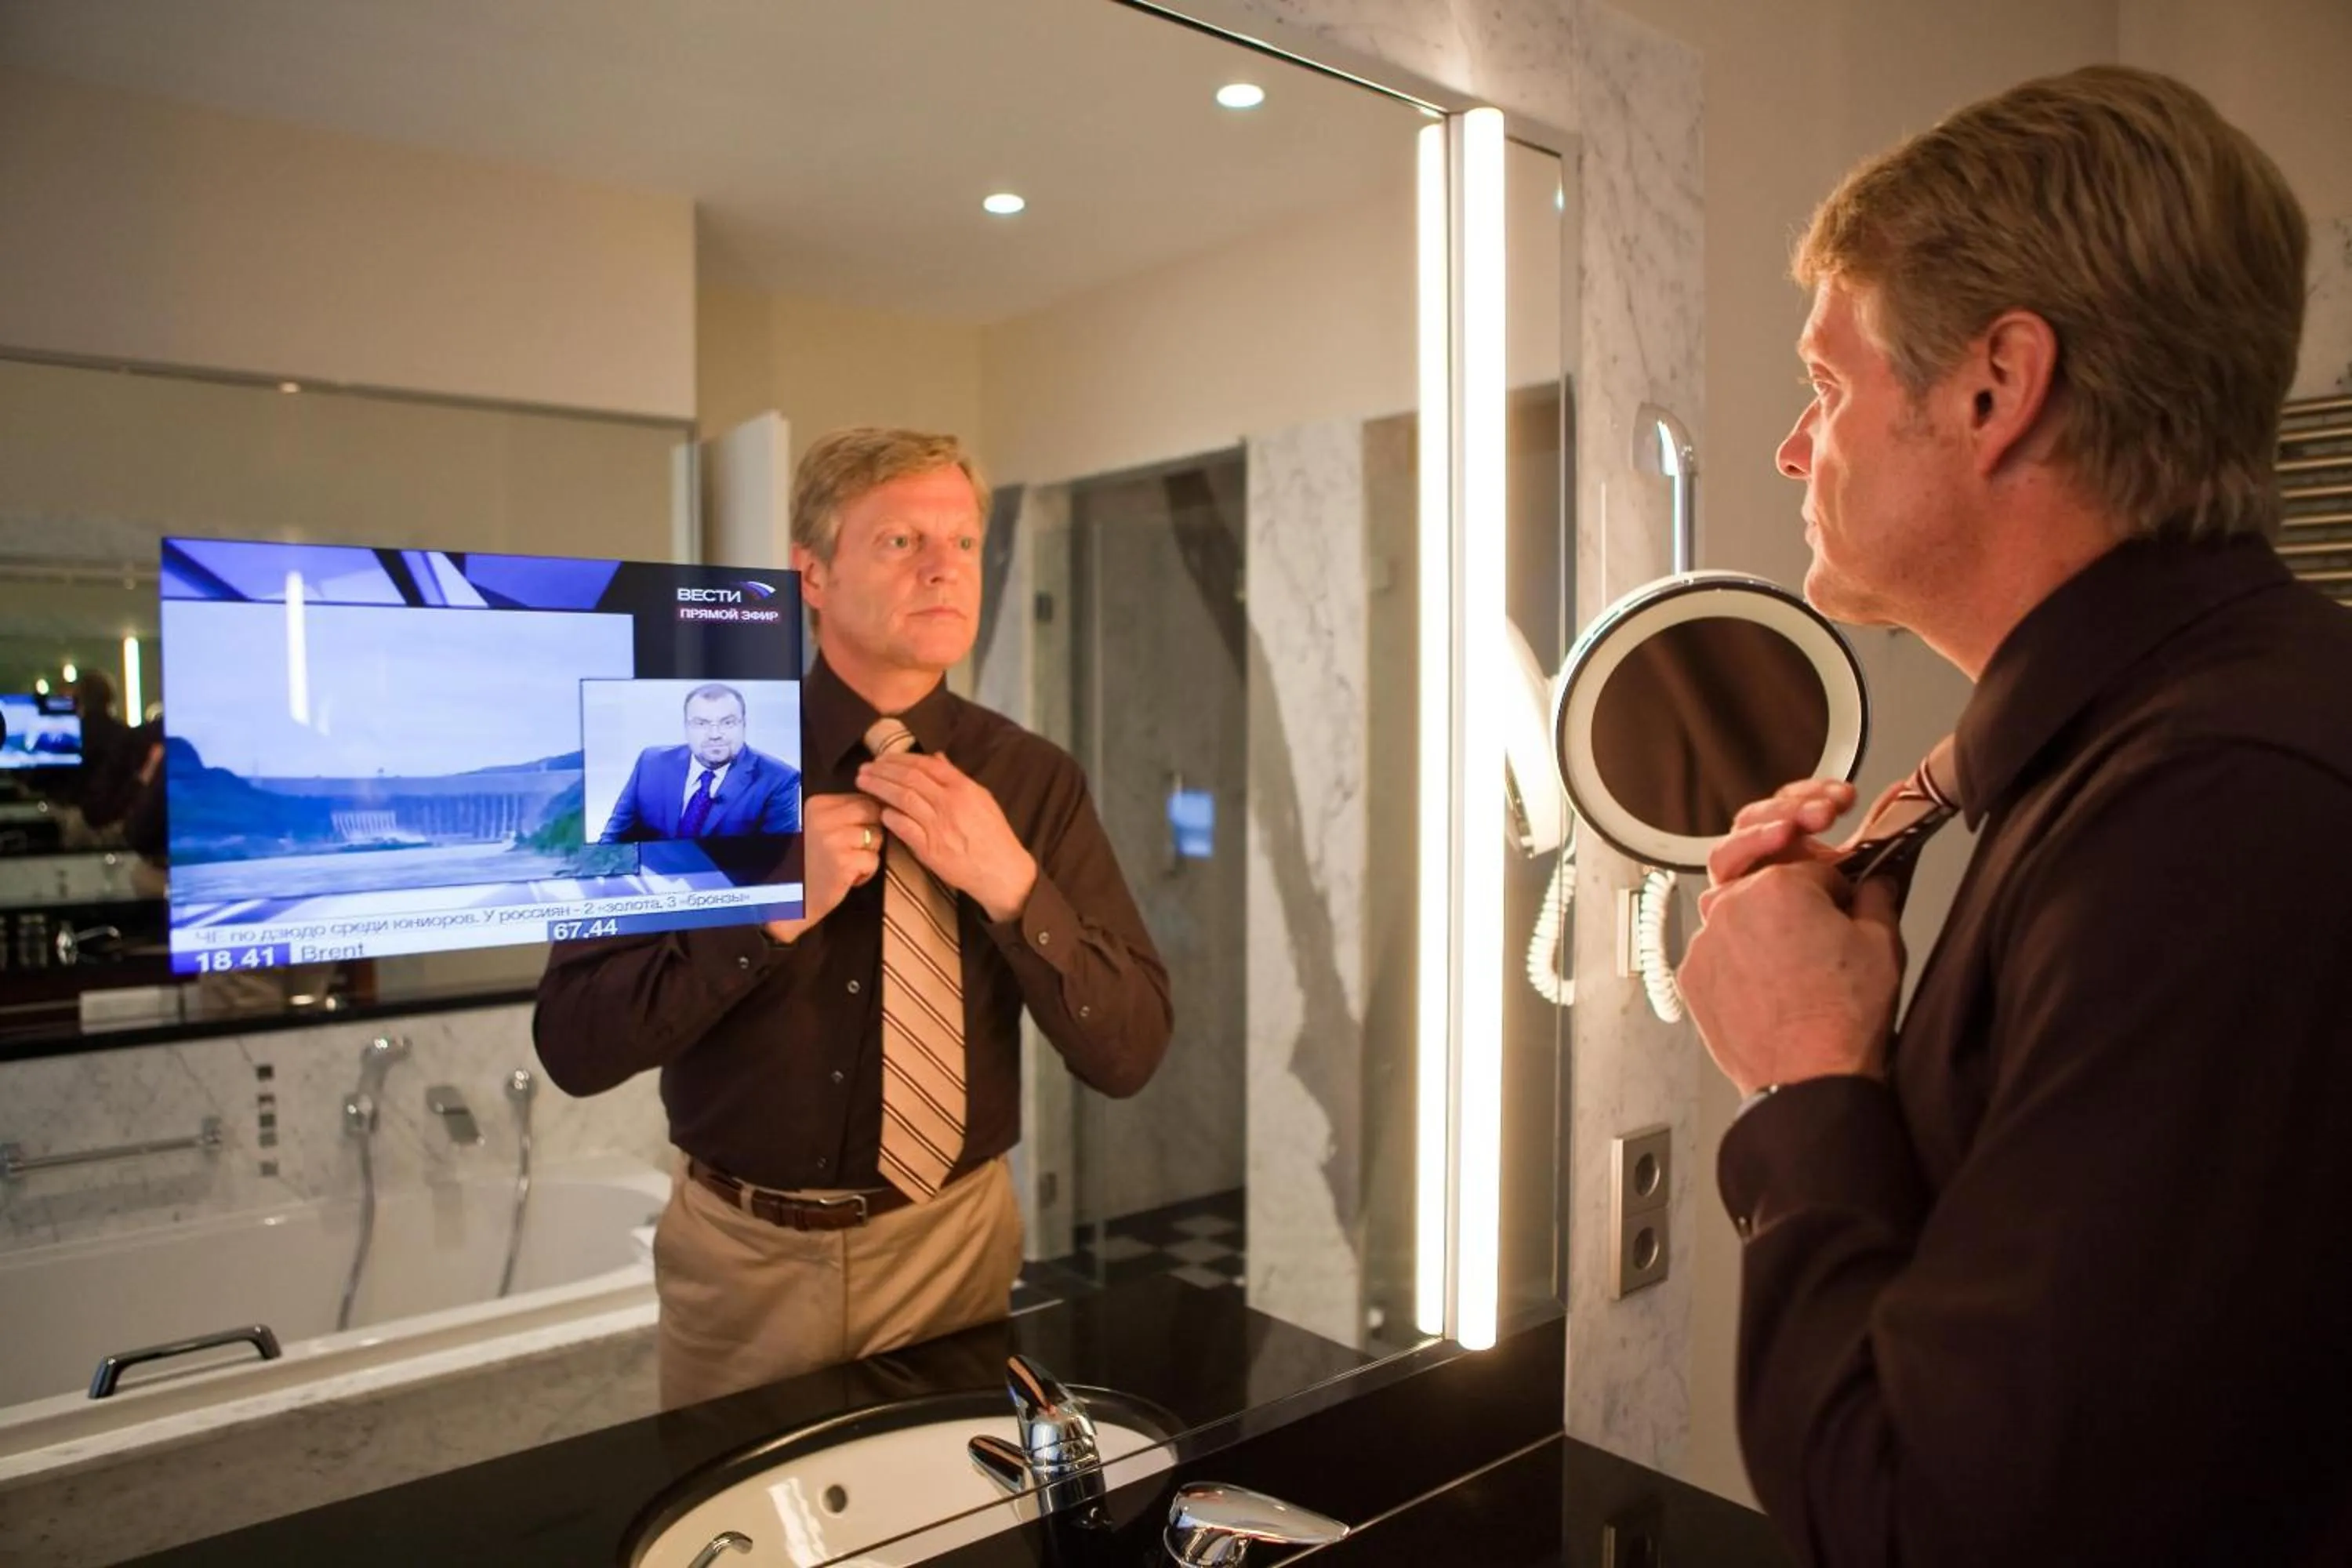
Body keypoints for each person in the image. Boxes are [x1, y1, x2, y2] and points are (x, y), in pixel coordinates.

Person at [1677, 67, 2352, 1566]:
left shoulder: (2209, 816)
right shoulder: (2169, 756)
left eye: (1829, 385)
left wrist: (1810, 1075)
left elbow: (1933, 1523)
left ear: (1997, 388)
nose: (1793, 447)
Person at [537, 426, 1171, 1408]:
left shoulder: (1034, 781)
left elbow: (1130, 1050)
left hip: (955, 1252)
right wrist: (762, 908)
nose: (943, 568)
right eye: (900, 541)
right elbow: (576, 1043)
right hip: (742, 1263)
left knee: (950, 1504)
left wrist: (1012, 884)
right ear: (813, 574)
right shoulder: (671, 769)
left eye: (963, 541)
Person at [597, 682, 800, 842]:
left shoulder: (778, 779)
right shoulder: (651, 764)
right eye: (701, 723)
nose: (715, 734)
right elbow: (613, 839)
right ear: (686, 727)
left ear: (743, 725)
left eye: (727, 723)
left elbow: (777, 862)